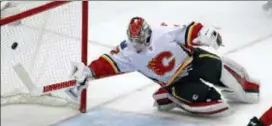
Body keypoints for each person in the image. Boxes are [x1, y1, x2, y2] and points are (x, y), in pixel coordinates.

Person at [66, 17, 260, 116]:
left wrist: (205, 34)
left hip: (194, 61)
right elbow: (108, 62)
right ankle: (168, 96)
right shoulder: (128, 53)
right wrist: (89, 72)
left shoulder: (163, 32)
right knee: (219, 106)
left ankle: (238, 85)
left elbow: (188, 30)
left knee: (246, 91)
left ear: (147, 32)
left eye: (140, 38)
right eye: (134, 39)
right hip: (176, 82)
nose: (137, 42)